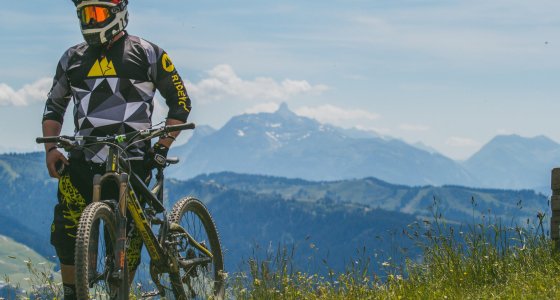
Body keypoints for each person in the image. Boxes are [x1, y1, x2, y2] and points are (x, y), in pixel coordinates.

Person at [41, 0, 192, 299]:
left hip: (132, 161)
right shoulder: (71, 57)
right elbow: (53, 108)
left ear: (118, 12)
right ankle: (72, 293)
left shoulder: (149, 53)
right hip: (84, 158)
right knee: (66, 226)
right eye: (84, 14)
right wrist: (51, 149)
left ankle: (119, 294)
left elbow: (181, 103)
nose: (90, 20)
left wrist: (162, 147)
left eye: (97, 13)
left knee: (129, 234)